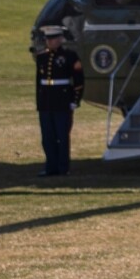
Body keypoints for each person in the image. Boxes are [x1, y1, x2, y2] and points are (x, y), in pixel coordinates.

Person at [33, 25, 85, 176]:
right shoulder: (42, 57)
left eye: (53, 39)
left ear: (61, 39)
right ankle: (51, 167)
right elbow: (39, 82)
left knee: (62, 136)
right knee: (47, 137)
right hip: (47, 101)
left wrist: (75, 99)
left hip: (62, 100)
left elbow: (78, 80)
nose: (50, 42)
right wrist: (39, 102)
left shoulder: (70, 56)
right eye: (48, 39)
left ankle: (63, 167)